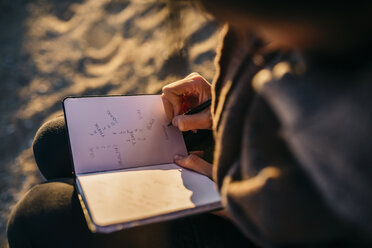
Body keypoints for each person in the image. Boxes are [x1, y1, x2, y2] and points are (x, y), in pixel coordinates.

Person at [7, 0, 372, 247]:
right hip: (248, 152)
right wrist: (223, 105)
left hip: (254, 220)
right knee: (55, 140)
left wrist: (226, 198)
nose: (254, 38)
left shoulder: (348, 137)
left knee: (39, 218)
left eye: (261, 27)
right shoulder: (315, 28)